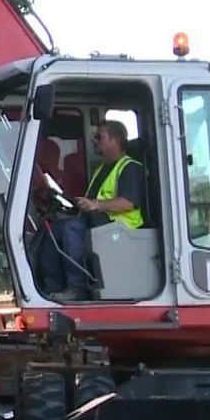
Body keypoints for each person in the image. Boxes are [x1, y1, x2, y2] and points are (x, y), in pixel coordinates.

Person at [38, 120, 147, 302]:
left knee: (71, 229)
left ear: (115, 140)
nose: (95, 141)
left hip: (120, 228)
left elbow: (128, 203)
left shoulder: (130, 168)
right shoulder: (101, 169)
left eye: (100, 137)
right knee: (53, 229)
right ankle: (52, 288)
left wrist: (95, 204)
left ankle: (77, 288)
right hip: (97, 220)